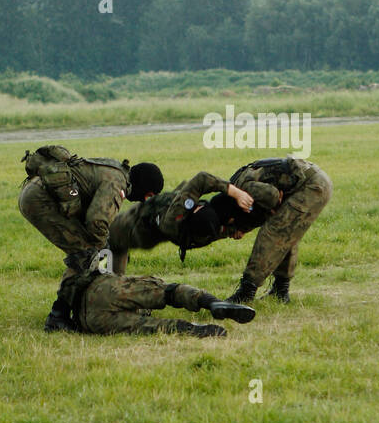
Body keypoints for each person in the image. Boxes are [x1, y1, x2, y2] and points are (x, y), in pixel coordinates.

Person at [17, 144, 162, 330]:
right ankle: (58, 315)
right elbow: (97, 222)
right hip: (39, 200)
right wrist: (103, 253)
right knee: (87, 255)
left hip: (37, 191)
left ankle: (105, 299)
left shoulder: (116, 172)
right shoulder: (117, 183)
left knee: (97, 251)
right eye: (149, 196)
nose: (145, 201)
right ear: (146, 189)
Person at [59, 249, 255, 337]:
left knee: (149, 326)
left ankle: (191, 329)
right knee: (166, 292)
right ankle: (211, 302)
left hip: (89, 320)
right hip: (102, 287)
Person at [216, 158, 333, 304]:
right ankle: (280, 291)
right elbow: (261, 210)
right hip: (311, 180)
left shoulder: (245, 188)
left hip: (312, 185)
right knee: (287, 233)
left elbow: (272, 195)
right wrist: (245, 227)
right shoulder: (238, 190)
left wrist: (244, 225)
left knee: (274, 232)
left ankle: (246, 292)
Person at [106, 171, 255, 273]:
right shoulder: (205, 234)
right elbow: (223, 230)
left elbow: (202, 179)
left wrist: (236, 193)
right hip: (145, 219)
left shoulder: (176, 218)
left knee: (107, 240)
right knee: (108, 248)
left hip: (137, 225)